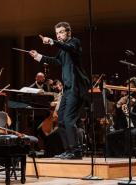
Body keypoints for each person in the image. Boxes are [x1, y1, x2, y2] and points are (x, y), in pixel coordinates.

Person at [29, 22, 90, 159]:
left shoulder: (74, 43)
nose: (59, 35)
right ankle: (69, 149)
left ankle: (76, 150)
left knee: (68, 120)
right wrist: (38, 56)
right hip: (67, 90)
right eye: (57, 33)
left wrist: (51, 41)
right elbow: (56, 61)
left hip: (76, 88)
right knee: (61, 119)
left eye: (61, 32)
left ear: (68, 32)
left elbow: (69, 48)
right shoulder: (62, 50)